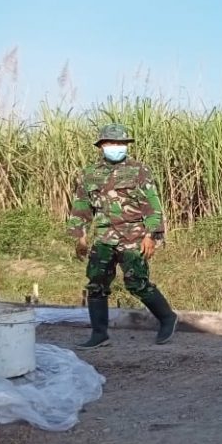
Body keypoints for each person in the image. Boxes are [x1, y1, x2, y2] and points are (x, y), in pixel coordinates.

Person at [66, 123, 178, 349]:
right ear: (102, 146)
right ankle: (100, 334)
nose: (116, 147)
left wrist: (151, 235)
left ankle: (167, 318)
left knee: (136, 282)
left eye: (121, 143)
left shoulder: (139, 171)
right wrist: (80, 236)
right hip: (105, 237)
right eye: (111, 143)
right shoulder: (89, 174)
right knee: (96, 283)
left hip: (134, 236)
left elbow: (153, 205)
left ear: (126, 145)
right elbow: (82, 206)